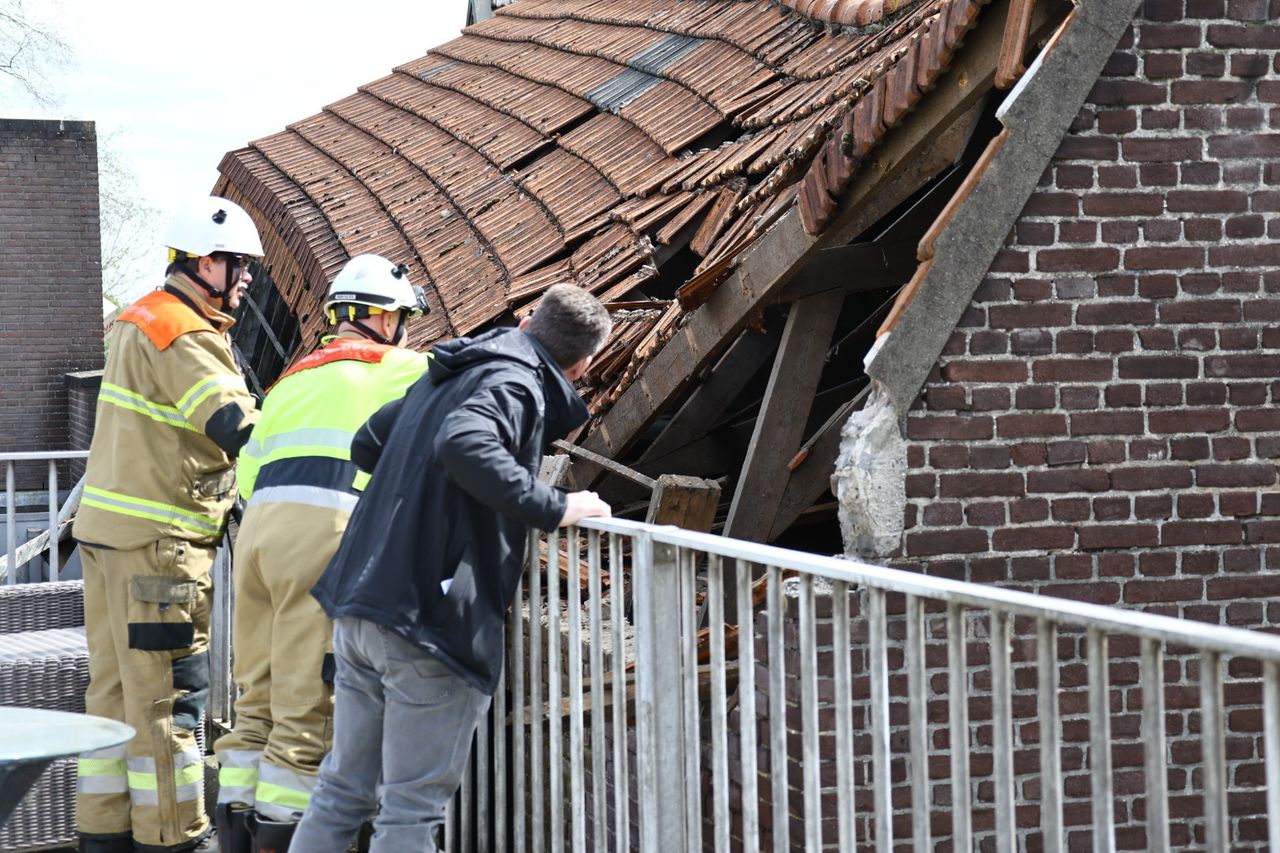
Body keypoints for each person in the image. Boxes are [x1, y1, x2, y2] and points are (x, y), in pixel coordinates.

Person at [290, 283, 614, 852]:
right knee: (410, 813)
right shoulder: (516, 384)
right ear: (584, 363)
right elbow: (465, 444)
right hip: (426, 624)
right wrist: (557, 507)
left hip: (362, 603)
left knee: (342, 791)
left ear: (530, 326)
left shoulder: (454, 368)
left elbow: (369, 443)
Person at [212, 255, 431, 853]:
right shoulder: (404, 367)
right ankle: (284, 838)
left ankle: (235, 830)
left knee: (255, 700)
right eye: (405, 317)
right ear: (386, 320)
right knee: (307, 712)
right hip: (323, 536)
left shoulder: (291, 379)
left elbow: (250, 473)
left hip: (256, 539)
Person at [72, 196, 264, 853]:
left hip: (106, 538)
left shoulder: (137, 319)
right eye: (239, 266)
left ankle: (103, 834)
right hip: (160, 551)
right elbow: (235, 426)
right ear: (205, 261)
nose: (246, 280)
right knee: (169, 705)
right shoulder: (185, 331)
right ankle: (177, 836)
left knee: (114, 699)